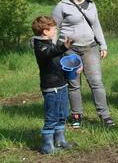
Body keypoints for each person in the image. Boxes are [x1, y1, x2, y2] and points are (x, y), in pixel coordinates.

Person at [52, 0, 113, 128]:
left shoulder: (91, 3)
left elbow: (96, 25)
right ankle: (77, 115)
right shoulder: (62, 6)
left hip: (90, 47)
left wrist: (103, 44)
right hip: (70, 50)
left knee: (97, 82)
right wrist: (53, 51)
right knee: (74, 84)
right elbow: (53, 29)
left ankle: (105, 116)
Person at [31, 16, 75, 154]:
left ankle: (60, 140)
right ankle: (47, 146)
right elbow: (50, 54)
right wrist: (64, 47)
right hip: (51, 87)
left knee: (62, 114)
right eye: (54, 29)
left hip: (61, 84)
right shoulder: (40, 46)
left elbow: (58, 59)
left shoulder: (50, 42)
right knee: (52, 116)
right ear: (45, 31)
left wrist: (72, 65)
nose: (56, 31)